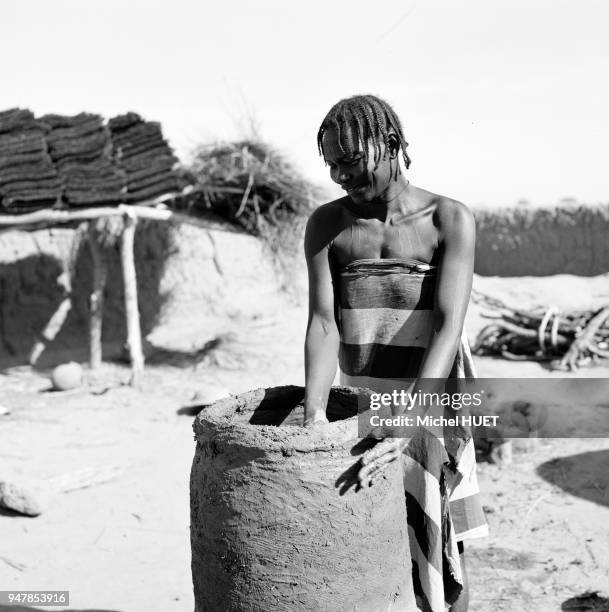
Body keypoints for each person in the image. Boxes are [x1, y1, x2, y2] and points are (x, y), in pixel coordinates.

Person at [303, 94, 488, 612]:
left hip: (435, 395)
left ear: (389, 145)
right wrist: (315, 412)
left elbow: (449, 326)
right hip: (365, 399)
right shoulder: (327, 227)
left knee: (440, 540)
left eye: (352, 160)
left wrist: (414, 415)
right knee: (374, 536)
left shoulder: (448, 219)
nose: (341, 175)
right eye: (333, 164)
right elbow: (322, 324)